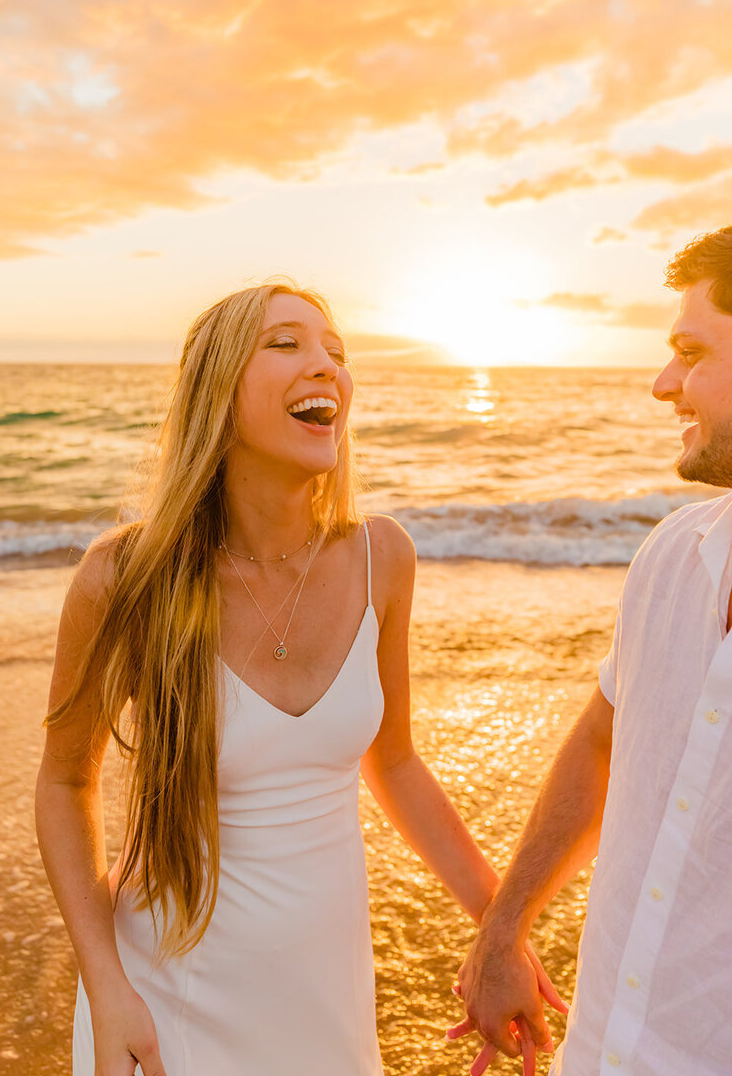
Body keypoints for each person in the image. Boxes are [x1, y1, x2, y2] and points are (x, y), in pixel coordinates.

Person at [36, 280, 562, 1076]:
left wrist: (500, 932)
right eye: (285, 343)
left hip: (325, 997)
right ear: (217, 389)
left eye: (336, 353)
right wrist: (105, 985)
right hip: (165, 992)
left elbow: (396, 763)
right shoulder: (127, 576)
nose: (325, 367)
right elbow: (64, 780)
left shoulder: (383, 557)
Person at [451, 225, 732, 1076]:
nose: (663, 385)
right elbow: (604, 743)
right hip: (603, 1050)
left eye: (691, 353)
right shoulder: (672, 556)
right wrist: (503, 934)